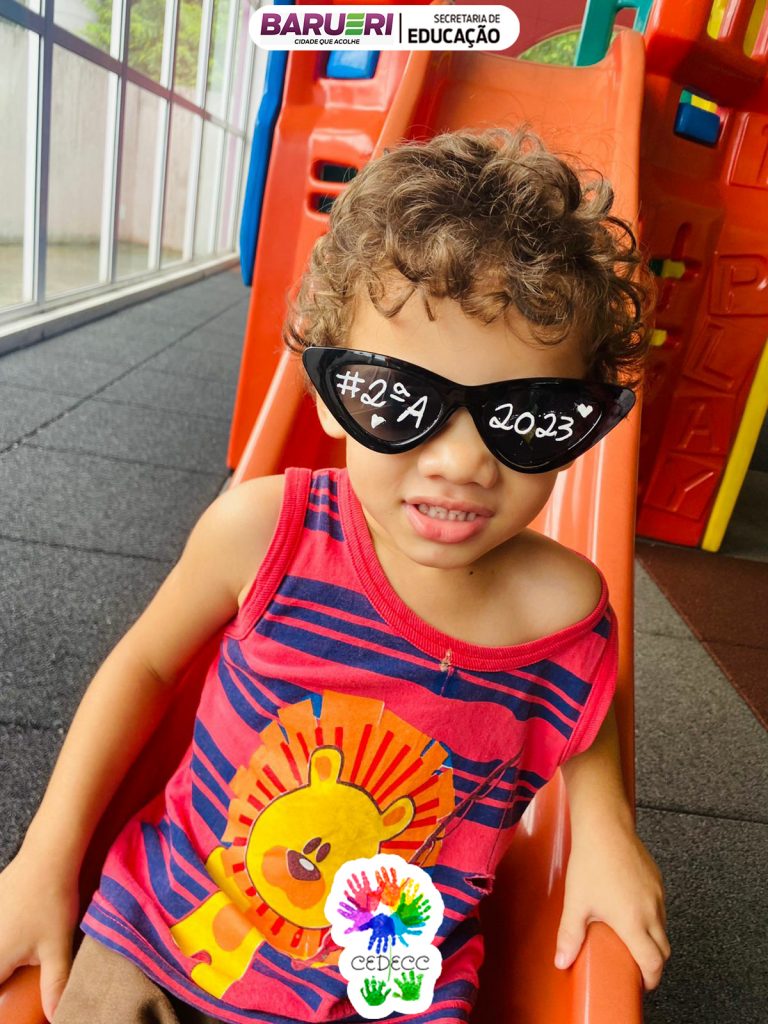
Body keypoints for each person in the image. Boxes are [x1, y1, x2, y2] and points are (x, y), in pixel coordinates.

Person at [0, 125, 669, 1024]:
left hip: (383, 991)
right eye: (400, 400)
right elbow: (145, 666)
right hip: (167, 934)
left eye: (528, 415)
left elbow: (585, 710)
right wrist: (43, 858)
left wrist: (607, 830)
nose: (460, 463)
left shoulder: (562, 611)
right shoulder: (264, 532)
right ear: (325, 389)